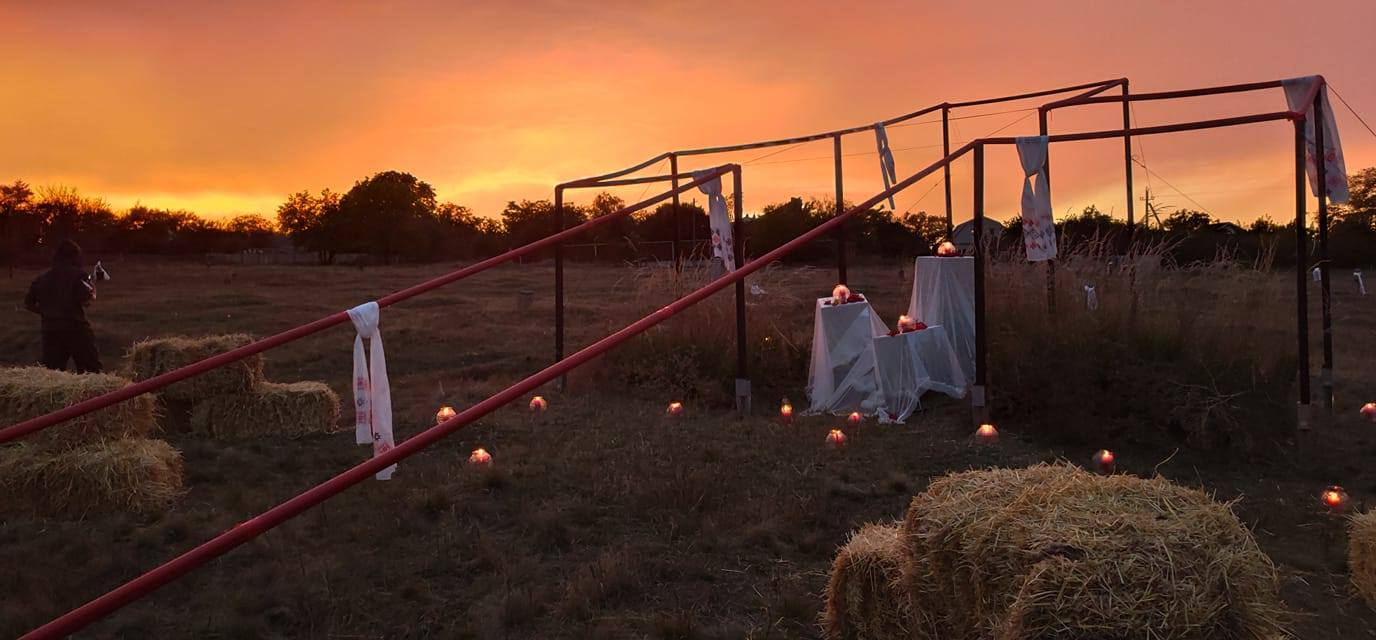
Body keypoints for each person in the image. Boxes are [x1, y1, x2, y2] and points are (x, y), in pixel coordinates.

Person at [23, 239, 102, 373]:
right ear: (74, 256)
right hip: (76, 329)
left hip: (51, 331)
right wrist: (92, 288)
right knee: (92, 372)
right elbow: (86, 300)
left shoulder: (41, 279)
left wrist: (47, 312)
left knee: (52, 375)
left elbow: (28, 304)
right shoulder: (79, 275)